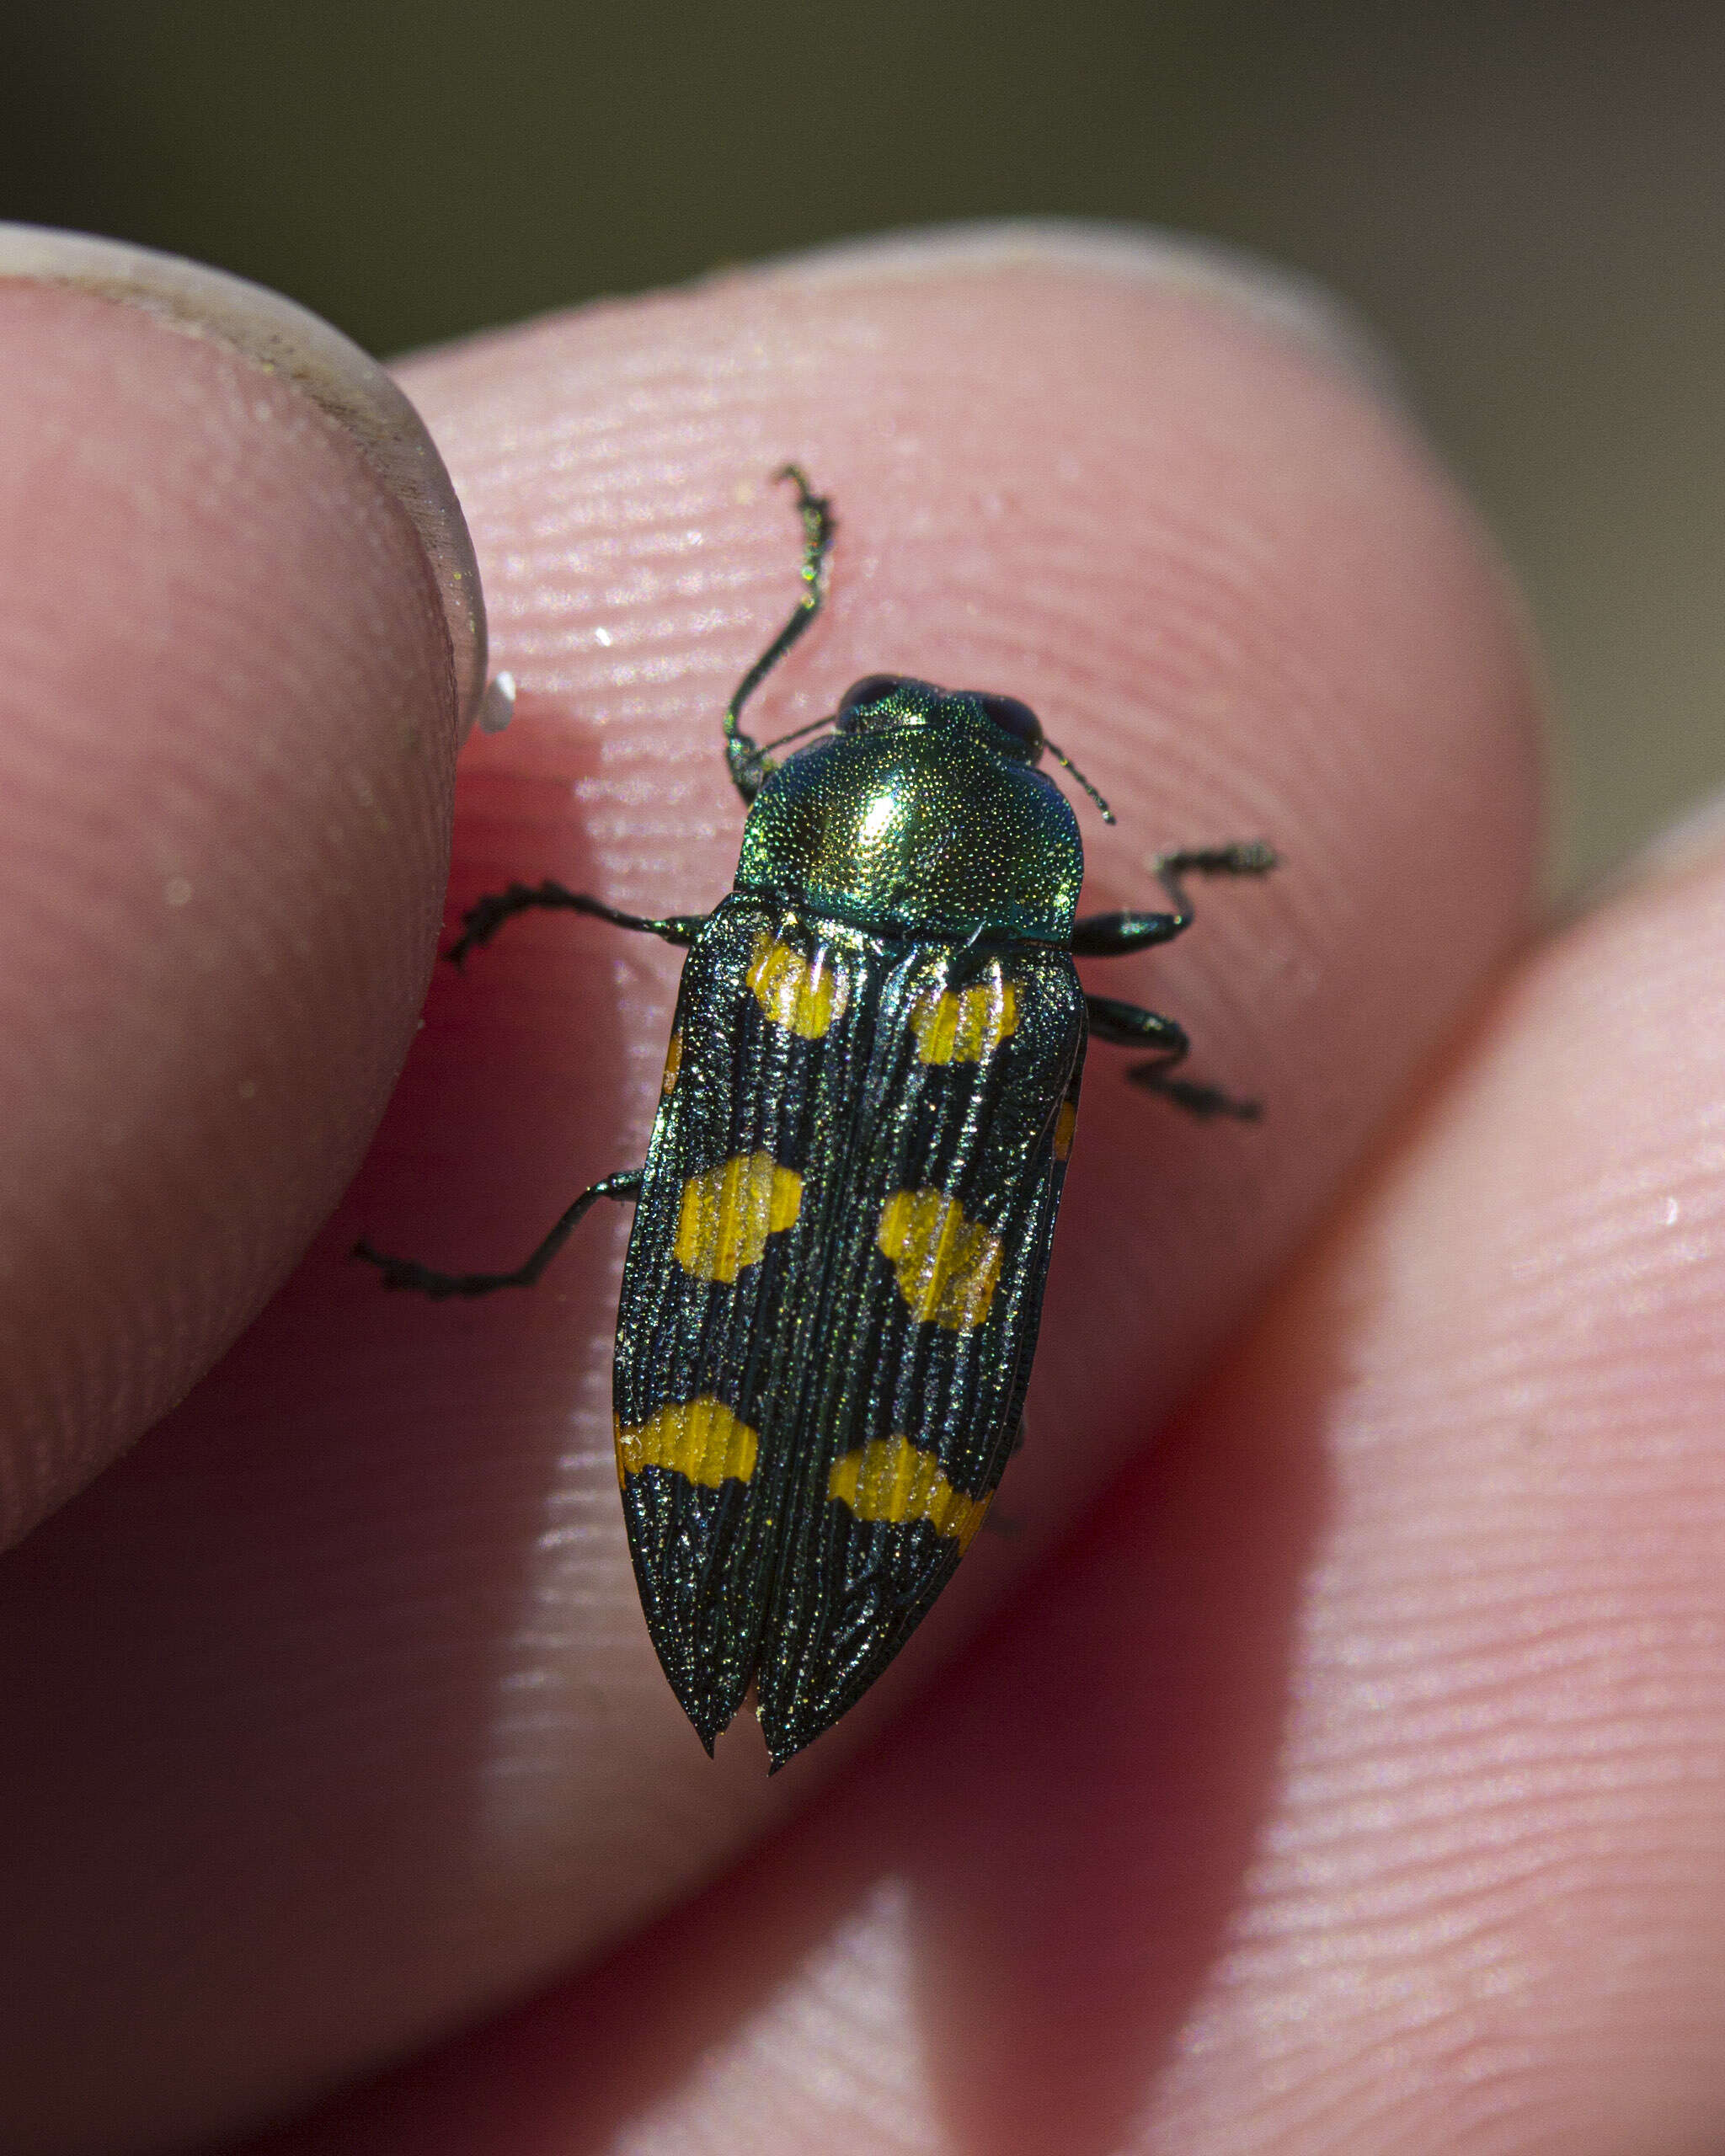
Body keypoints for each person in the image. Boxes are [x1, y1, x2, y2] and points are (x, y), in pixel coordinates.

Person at [2, 221, 1718, 2154]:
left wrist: (743, 676)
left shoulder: (766, 928)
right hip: (886, 1431)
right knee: (681, 1207)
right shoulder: (1034, 988)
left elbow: (753, 733)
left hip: (772, 1400)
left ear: (796, 811)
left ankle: (567, 1344)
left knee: (638, 1191)